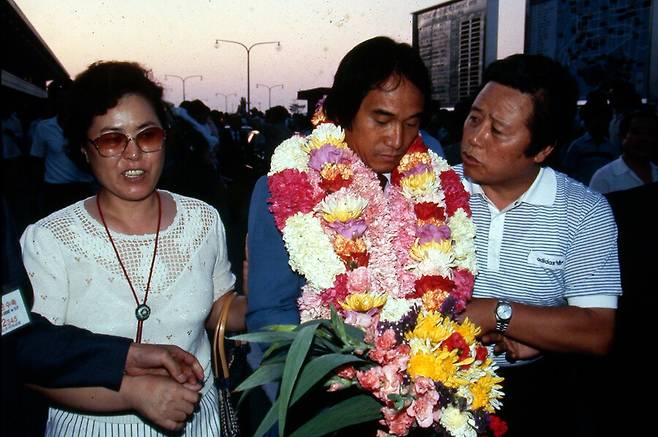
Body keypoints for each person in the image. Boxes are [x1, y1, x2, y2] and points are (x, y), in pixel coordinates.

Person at [20, 61, 245, 436]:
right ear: (84, 150)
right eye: (111, 140)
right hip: (91, 426)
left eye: (148, 135)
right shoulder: (49, 239)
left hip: (195, 421)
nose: (134, 154)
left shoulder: (203, 220)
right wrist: (132, 394)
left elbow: (219, 309)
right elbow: (31, 362)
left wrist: (277, 304)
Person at [456, 54, 622, 435]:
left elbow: (597, 330)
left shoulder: (584, 212)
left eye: (498, 131)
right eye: (475, 118)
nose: (475, 137)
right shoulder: (430, 188)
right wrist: (536, 326)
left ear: (543, 149)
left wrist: (497, 313)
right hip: (424, 384)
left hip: (529, 394)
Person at [246, 36, 430, 335]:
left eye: (411, 123)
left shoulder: (426, 178)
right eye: (381, 120)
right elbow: (272, 318)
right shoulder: (286, 189)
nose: (397, 139)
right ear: (344, 112)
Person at [589, 108, 658, 193]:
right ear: (622, 137)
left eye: (650, 133)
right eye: (637, 132)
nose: (644, 138)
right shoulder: (604, 177)